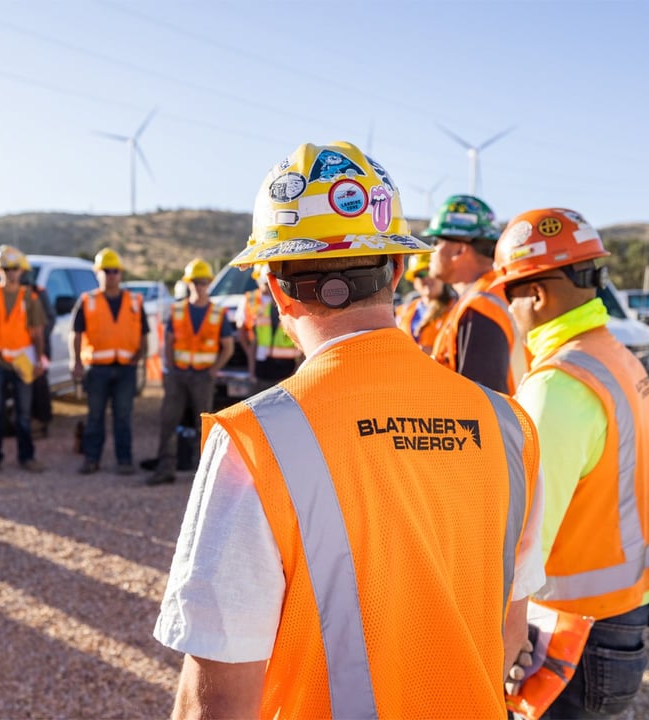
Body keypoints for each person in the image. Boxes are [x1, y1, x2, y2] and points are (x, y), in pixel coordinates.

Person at [153, 141, 545, 718]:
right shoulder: (510, 426)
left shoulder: (254, 442)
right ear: (399, 267)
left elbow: (219, 695)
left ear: (275, 286)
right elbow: (510, 629)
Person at [489, 207, 649, 718]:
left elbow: (525, 538)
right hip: (620, 610)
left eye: (506, 294)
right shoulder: (615, 355)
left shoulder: (556, 387)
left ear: (535, 295)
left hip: (571, 628)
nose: (507, 310)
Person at [145, 257, 234, 486]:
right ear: (188, 283)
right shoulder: (177, 310)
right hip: (178, 375)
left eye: (203, 282)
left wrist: (213, 371)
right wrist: (170, 368)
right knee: (168, 421)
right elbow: (169, 342)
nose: (199, 285)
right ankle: (166, 468)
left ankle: (203, 474)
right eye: (195, 281)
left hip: (203, 377)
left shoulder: (218, 313)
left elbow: (228, 347)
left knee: (203, 425)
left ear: (209, 283)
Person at [426, 194, 527, 393]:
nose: (431, 249)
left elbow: (480, 406)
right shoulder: (497, 291)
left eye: (436, 240)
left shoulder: (481, 306)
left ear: (459, 249)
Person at [70, 248, 149, 475]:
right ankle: (91, 460)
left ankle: (124, 461)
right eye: (106, 271)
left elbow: (144, 332)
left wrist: (140, 355)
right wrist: (76, 363)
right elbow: (75, 333)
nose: (111, 275)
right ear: (98, 273)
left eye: (115, 271)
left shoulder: (134, 300)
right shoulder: (87, 301)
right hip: (97, 369)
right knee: (95, 416)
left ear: (121, 274)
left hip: (126, 369)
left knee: (123, 417)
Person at [0, 244, 48, 474]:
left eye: (15, 268)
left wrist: (39, 360)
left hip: (22, 361)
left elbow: (37, 332)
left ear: (21, 270)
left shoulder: (30, 297)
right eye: (6, 268)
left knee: (23, 414)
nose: (11, 272)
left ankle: (27, 457)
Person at [235, 263, 301, 393]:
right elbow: (253, 341)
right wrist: (252, 370)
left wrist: (298, 371)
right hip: (263, 369)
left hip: (287, 370)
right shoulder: (260, 309)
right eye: (267, 283)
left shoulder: (291, 302)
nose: (271, 288)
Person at [20, 253, 56, 437]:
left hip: (39, 349)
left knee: (39, 385)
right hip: (18, 351)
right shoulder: (6, 294)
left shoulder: (39, 293)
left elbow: (50, 319)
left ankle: (42, 422)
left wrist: (37, 337)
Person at [394, 252, 457, 353]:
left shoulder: (456, 310)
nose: (426, 278)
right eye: (420, 274)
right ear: (413, 281)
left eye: (430, 271)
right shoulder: (403, 312)